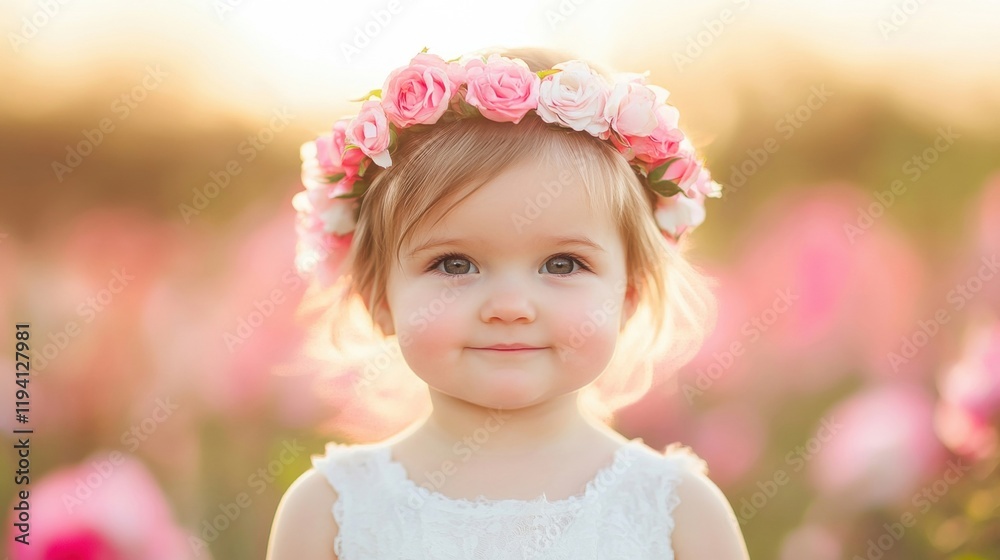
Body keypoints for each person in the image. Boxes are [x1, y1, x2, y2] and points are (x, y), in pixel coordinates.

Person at [266, 45, 749, 559]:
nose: (510, 306)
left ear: (627, 294)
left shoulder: (677, 512)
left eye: (562, 264)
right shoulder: (331, 512)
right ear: (377, 296)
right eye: (454, 264)